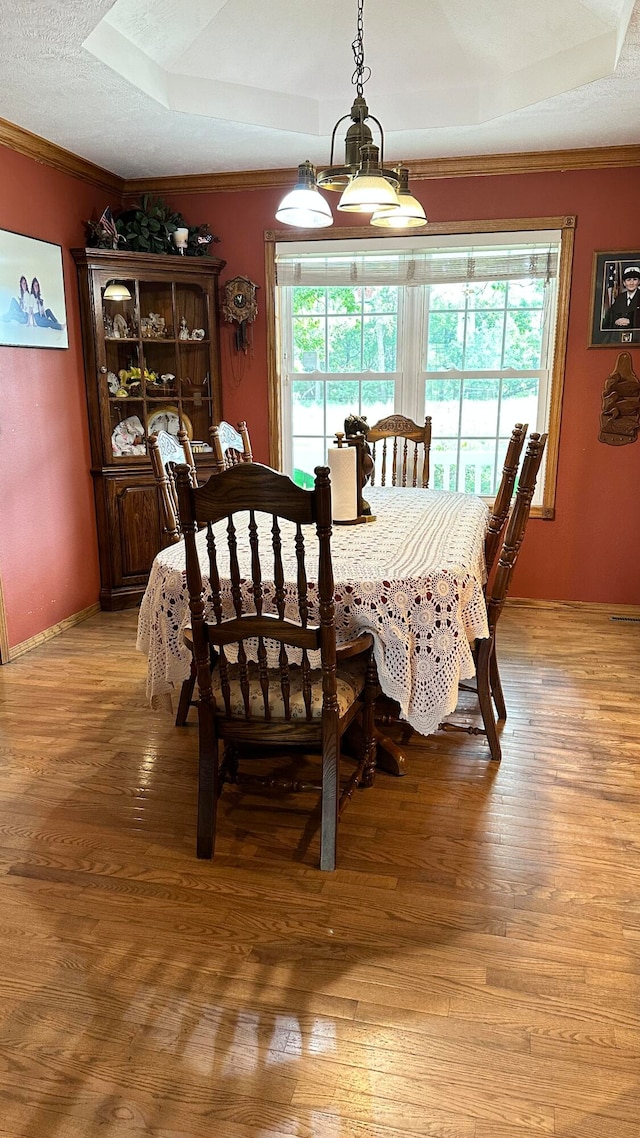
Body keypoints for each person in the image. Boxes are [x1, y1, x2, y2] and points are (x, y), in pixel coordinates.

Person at [604, 266, 640, 330]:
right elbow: (611, 316)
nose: (631, 283)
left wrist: (630, 321)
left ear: (639, 282)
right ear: (624, 283)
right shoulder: (619, 298)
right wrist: (616, 321)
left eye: (635, 279)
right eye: (628, 280)